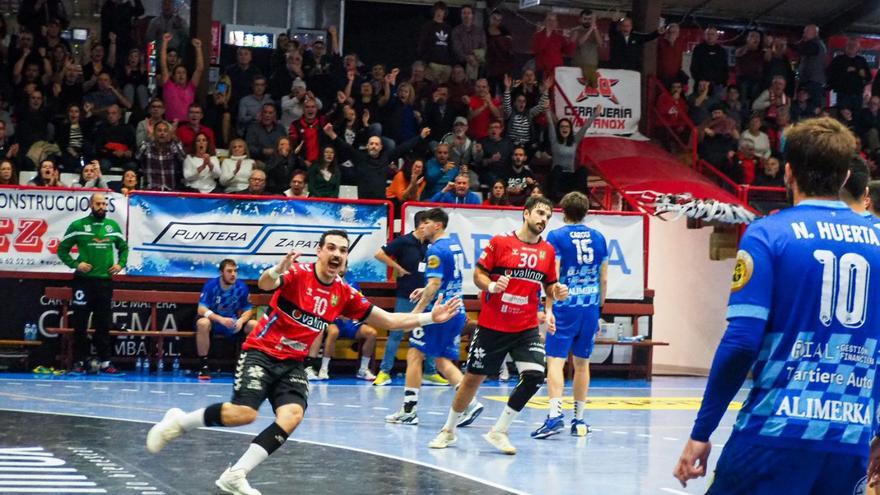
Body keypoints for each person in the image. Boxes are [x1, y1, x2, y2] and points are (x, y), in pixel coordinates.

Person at [146, 230, 463, 494]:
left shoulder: (344, 293)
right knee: (243, 414)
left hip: (293, 363)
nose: (336, 254)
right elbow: (266, 284)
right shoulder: (297, 274)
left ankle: (236, 474)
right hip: (261, 352)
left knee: (292, 415)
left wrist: (430, 316)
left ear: (345, 259)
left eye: (342, 250)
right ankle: (178, 423)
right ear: (320, 252)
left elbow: (390, 321)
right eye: (331, 248)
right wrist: (275, 271)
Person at [674, 117, 880, 492]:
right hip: (850, 440)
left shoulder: (769, 234)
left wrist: (702, 431)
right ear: (847, 175)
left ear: (788, 172)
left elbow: (741, 343)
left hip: (774, 431)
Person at [429, 196, 569, 454]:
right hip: (493, 325)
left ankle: (499, 431)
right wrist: (491, 285)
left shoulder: (547, 251)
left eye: (548, 216)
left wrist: (555, 292)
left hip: (525, 327)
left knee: (535, 376)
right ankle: (448, 430)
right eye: (539, 213)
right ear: (526, 214)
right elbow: (479, 274)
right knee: (472, 380)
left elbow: (549, 284)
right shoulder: (500, 242)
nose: (543, 220)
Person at [386, 208, 484, 425]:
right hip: (456, 310)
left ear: (437, 225)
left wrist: (417, 312)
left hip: (438, 313)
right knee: (441, 361)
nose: (422, 226)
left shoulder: (435, 250)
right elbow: (444, 281)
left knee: (414, 354)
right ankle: (471, 402)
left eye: (426, 222)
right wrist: (425, 290)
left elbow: (435, 283)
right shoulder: (454, 245)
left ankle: (409, 410)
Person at [531, 192, 607, 439]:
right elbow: (603, 278)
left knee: (555, 361)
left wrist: (548, 309)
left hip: (566, 307)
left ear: (562, 210)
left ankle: (554, 416)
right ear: (586, 211)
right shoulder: (599, 238)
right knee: (582, 364)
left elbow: (552, 276)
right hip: (590, 306)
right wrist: (599, 309)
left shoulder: (556, 237)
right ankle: (580, 420)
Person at [57, 193, 128, 375]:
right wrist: (76, 264)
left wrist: (120, 264)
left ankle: (105, 362)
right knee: (80, 323)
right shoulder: (78, 226)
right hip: (83, 282)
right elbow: (62, 250)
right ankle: (80, 362)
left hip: (104, 281)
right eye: (98, 204)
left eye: (104, 204)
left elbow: (123, 247)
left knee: (103, 323)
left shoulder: (112, 226)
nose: (102, 207)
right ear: (91, 205)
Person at [373, 211, 445, 387]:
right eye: (426, 223)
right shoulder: (403, 241)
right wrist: (398, 267)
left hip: (426, 296)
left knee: (428, 333)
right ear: (420, 225)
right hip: (406, 295)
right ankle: (384, 372)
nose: (428, 227)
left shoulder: (430, 245)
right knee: (396, 333)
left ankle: (430, 373)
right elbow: (379, 254)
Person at [307, 264, 379, 381]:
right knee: (333, 332)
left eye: (343, 267)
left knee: (371, 333)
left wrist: (355, 316)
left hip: (350, 323)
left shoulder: (353, 284)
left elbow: (362, 303)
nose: (340, 269)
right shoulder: (327, 283)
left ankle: (363, 370)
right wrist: (338, 315)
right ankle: (324, 369)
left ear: (345, 269)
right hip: (332, 320)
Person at [196, 259, 256, 380]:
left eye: (235, 271)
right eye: (229, 271)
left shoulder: (241, 287)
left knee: (254, 324)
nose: (233, 274)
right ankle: (204, 366)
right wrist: (220, 319)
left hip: (232, 322)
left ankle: (249, 365)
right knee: (202, 323)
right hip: (215, 322)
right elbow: (201, 309)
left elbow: (248, 310)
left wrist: (241, 321)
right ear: (221, 272)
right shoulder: (211, 285)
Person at [546, 105, 597, 202]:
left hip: (570, 177)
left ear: (570, 129)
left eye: (567, 126)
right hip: (558, 177)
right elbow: (550, 122)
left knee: (583, 170)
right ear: (558, 129)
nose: (564, 128)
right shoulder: (554, 141)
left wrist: (595, 114)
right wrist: (547, 109)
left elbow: (585, 127)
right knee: (557, 168)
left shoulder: (574, 141)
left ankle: (581, 199)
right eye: (562, 126)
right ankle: (554, 198)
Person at [159, 34, 203, 123]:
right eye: (178, 73)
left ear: (187, 76)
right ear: (174, 76)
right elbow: (163, 65)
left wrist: (198, 48)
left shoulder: (191, 87)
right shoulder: (168, 85)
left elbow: (199, 69)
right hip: (170, 124)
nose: (181, 75)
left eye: (183, 73)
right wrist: (165, 43)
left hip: (188, 125)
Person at [136, 120, 186, 192]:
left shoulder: (173, 146)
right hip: (150, 190)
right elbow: (137, 156)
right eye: (159, 131)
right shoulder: (147, 146)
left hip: (170, 190)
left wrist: (174, 138)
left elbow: (183, 158)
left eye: (165, 131)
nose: (162, 133)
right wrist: (149, 137)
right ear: (154, 133)